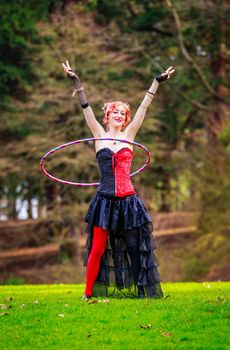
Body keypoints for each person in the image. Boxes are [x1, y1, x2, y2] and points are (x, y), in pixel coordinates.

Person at [62, 60, 175, 300]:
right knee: (98, 248)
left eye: (123, 114)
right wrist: (76, 81)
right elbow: (86, 109)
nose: (119, 115)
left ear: (125, 120)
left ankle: (144, 293)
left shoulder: (130, 136)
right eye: (115, 112)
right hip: (104, 200)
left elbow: (143, 109)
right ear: (107, 116)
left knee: (135, 248)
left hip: (128, 200)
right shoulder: (98, 136)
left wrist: (155, 82)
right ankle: (88, 293)